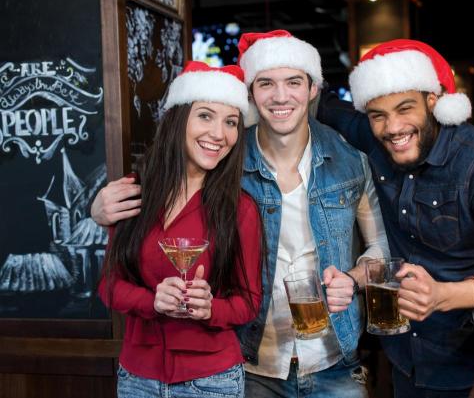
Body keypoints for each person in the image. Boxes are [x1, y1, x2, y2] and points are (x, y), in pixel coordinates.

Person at [92, 30, 390, 398]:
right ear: (251, 94)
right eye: (266, 83)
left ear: (313, 89)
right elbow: (120, 266)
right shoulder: (225, 164)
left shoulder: (349, 162)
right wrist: (98, 209)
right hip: (252, 362)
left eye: (294, 82)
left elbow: (381, 247)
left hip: (332, 356)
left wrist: (355, 278)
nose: (280, 96)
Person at [317, 39, 474, 397]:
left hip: (473, 365)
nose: (392, 128)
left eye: (405, 108)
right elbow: (320, 103)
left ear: (434, 101)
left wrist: (444, 295)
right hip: (404, 359)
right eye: (378, 114)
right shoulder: (374, 134)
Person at [98, 61, 263, 398]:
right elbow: (110, 286)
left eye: (231, 122)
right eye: (205, 115)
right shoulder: (132, 193)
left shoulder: (240, 208)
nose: (219, 134)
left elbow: (248, 302)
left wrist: (210, 308)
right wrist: (152, 300)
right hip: (136, 378)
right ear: (178, 118)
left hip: (211, 381)